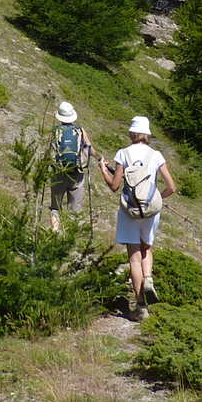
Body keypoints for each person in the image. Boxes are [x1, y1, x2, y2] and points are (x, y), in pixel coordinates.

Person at [99, 116, 177, 321]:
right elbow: (172, 186)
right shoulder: (156, 155)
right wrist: (157, 197)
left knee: (134, 256)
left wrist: (102, 170)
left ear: (132, 133)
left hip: (130, 210)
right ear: (147, 134)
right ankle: (148, 278)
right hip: (151, 210)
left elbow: (115, 186)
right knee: (146, 249)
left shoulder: (123, 153)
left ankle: (141, 307)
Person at [47, 101, 92, 232]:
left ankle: (55, 233)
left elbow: (49, 150)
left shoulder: (55, 132)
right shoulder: (80, 131)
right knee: (75, 208)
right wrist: (100, 158)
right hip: (76, 173)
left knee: (56, 207)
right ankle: (71, 237)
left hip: (58, 173)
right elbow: (89, 148)